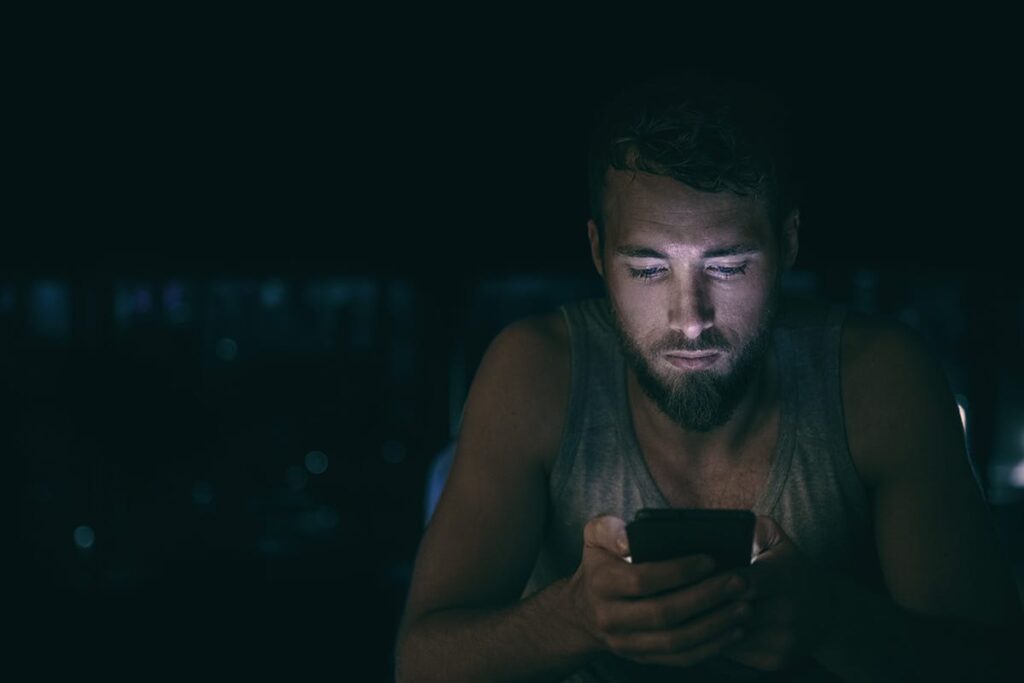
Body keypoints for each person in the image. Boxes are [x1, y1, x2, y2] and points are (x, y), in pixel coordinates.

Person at [394, 69, 1022, 681]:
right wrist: (576, 618)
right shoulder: (535, 373)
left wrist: (833, 621)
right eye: (647, 270)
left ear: (788, 244)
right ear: (596, 253)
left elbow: (993, 665)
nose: (690, 320)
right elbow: (420, 664)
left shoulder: (879, 381)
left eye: (727, 267)